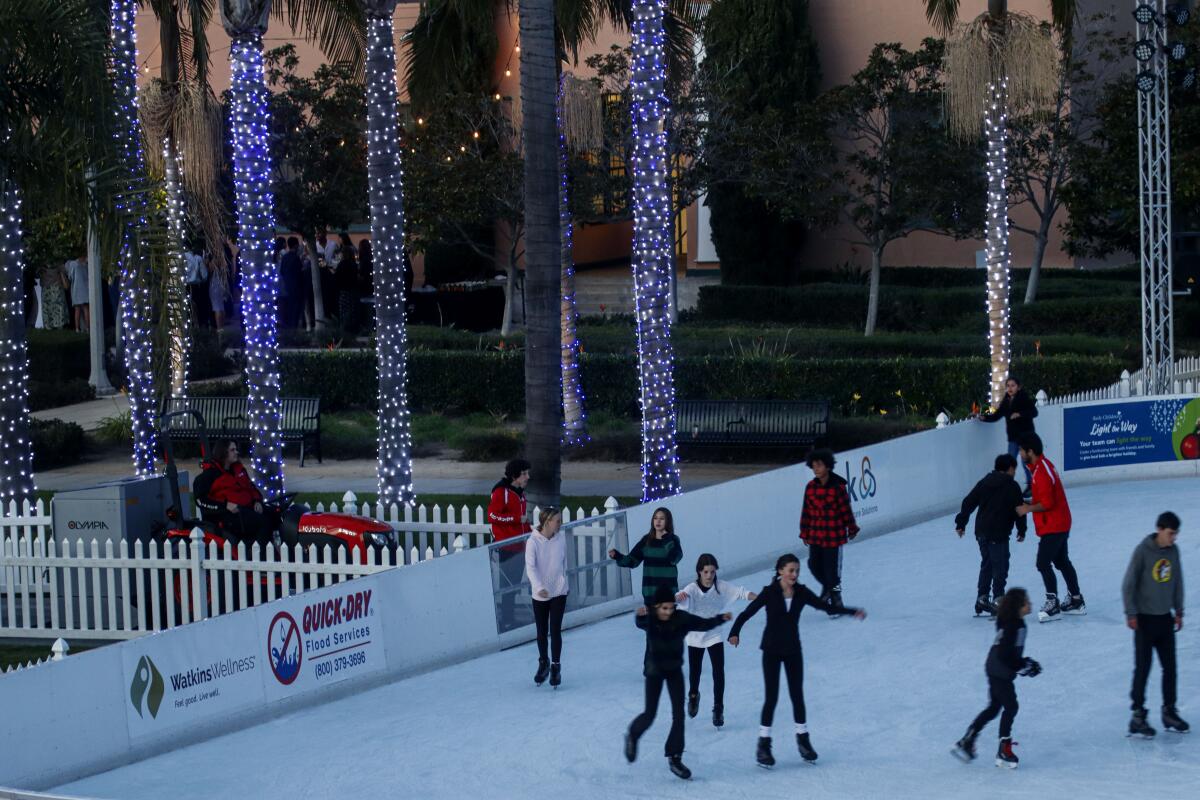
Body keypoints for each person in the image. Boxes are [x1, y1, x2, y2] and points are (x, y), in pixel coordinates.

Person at [728, 553, 865, 768]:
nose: (794, 574)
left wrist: (851, 611)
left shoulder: (801, 593)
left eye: (797, 571)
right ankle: (763, 746)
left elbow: (825, 607)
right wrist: (734, 633)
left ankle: (804, 742)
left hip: (793, 650)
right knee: (771, 697)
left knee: (797, 696)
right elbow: (747, 613)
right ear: (780, 571)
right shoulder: (769, 593)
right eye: (791, 570)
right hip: (771, 650)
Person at [624, 585, 731, 781]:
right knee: (650, 714)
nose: (668, 612)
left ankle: (675, 757)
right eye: (664, 608)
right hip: (655, 671)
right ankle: (632, 735)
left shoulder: (681, 618)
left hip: (674, 670)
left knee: (679, 715)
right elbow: (639, 621)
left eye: (671, 607)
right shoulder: (650, 620)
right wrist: (640, 615)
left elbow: (702, 624)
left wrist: (719, 619)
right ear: (656, 607)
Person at [952, 587, 1042, 769]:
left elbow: (1008, 653)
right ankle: (1003, 751)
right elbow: (1006, 655)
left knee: (994, 707)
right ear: (1019, 606)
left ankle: (967, 740)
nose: (1030, 604)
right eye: (1027, 602)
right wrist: (1024, 666)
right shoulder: (1016, 626)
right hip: (1000, 670)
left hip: (994, 667)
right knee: (1011, 706)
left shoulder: (1012, 622)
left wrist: (1023, 664)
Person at [1122, 511, 1188, 737]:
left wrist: (1178, 610)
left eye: (1176, 535)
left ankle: (1169, 711)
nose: (1173, 538)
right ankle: (1138, 715)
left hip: (1165, 619)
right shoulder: (1142, 551)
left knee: (1170, 668)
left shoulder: (1174, 551)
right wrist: (1131, 613)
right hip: (1144, 620)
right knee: (1143, 668)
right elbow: (1128, 584)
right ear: (1159, 529)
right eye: (1170, 534)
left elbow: (1177, 580)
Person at [675, 553, 757, 728]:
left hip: (714, 634)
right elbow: (679, 598)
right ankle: (693, 695)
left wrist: (759, 598)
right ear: (699, 572)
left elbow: (741, 592)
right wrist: (677, 598)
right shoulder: (691, 589)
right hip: (695, 636)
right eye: (706, 572)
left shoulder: (721, 586)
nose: (709, 576)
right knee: (695, 673)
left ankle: (718, 708)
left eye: (712, 572)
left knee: (718, 671)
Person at [1016, 433, 1085, 622]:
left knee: (1043, 562)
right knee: (1062, 561)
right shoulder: (1040, 468)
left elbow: (1047, 503)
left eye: (1022, 450)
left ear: (1030, 451)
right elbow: (1043, 498)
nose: (1020, 453)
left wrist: (1026, 508)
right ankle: (1076, 600)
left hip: (1054, 524)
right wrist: (1028, 502)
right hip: (1058, 522)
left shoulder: (1042, 472)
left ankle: (1052, 603)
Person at [955, 454, 1028, 616]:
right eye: (1014, 469)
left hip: (981, 532)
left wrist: (961, 523)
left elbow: (968, 502)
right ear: (1009, 468)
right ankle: (998, 600)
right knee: (1000, 565)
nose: (1015, 473)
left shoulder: (984, 482)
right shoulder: (1012, 486)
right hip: (998, 533)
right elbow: (1020, 510)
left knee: (987, 563)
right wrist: (1022, 530)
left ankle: (982, 598)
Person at [800, 448, 859, 608]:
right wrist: (804, 531)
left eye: (819, 465)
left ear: (828, 466)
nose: (816, 469)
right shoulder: (810, 487)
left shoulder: (838, 488)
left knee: (833, 572)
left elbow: (846, 510)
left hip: (833, 536)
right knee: (813, 565)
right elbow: (806, 511)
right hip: (816, 535)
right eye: (813, 466)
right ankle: (828, 588)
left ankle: (836, 597)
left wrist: (852, 528)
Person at [193, 441, 278, 545]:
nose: (236, 452)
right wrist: (225, 505)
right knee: (264, 523)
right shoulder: (209, 475)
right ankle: (259, 554)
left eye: (236, 449)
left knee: (277, 515)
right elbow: (200, 500)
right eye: (232, 450)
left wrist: (257, 501)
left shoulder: (238, 470)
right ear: (223, 452)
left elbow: (251, 487)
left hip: (248, 508)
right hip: (228, 515)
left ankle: (281, 550)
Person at [525, 507, 568, 688]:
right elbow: (531, 567)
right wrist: (539, 587)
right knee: (542, 631)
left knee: (555, 629)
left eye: (560, 520)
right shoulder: (533, 542)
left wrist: (565, 582)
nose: (559, 523)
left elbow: (564, 561)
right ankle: (543, 663)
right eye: (556, 520)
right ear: (546, 522)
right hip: (540, 593)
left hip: (558, 590)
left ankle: (556, 666)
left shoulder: (561, 538)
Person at [488, 458, 532, 628]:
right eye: (524, 474)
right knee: (508, 585)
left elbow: (523, 521)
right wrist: (515, 519)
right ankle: (506, 619)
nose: (528, 477)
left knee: (514, 584)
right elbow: (492, 516)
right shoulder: (502, 492)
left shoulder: (519, 492)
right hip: (507, 546)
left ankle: (509, 617)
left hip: (520, 545)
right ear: (515, 476)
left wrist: (531, 534)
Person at [609, 508, 683, 604]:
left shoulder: (673, 539)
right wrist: (617, 556)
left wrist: (666, 538)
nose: (658, 521)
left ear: (668, 521)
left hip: (668, 594)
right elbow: (632, 561)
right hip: (650, 595)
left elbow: (675, 559)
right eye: (655, 518)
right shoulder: (646, 540)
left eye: (662, 518)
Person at [979, 376, 1038, 494]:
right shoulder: (1006, 401)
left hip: (1025, 437)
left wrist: (1020, 414)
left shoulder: (1024, 398)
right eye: (1008, 386)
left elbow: (1034, 412)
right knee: (1010, 461)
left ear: (1018, 387)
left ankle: (1032, 486)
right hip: (1013, 438)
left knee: (1025, 461)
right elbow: (997, 415)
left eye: (1013, 385)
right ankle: (1006, 485)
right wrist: (984, 418)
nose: (1010, 388)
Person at [279, 237, 304, 330]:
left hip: (286, 286)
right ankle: (294, 328)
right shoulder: (296, 258)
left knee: (288, 309)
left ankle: (289, 328)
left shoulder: (285, 257)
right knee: (295, 310)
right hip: (296, 287)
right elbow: (300, 272)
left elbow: (281, 271)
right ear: (296, 245)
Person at [336, 232, 358, 333]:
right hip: (352, 289)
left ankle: (344, 329)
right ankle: (351, 328)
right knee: (351, 310)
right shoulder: (353, 264)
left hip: (344, 290)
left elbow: (337, 277)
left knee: (344, 310)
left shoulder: (342, 265)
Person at [37, 260, 69, 330]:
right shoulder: (58, 264)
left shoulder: (42, 265)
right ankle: (58, 325)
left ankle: (49, 326)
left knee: (48, 307)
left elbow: (37, 275)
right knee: (57, 306)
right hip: (56, 288)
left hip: (49, 288)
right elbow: (63, 274)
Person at [64, 250, 90, 332]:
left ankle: (77, 328)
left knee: (77, 309)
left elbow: (70, 277)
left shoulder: (73, 264)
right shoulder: (87, 263)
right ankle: (88, 328)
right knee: (86, 308)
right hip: (85, 288)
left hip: (76, 288)